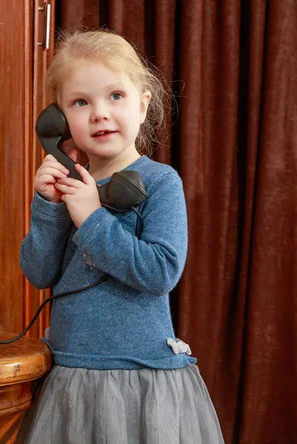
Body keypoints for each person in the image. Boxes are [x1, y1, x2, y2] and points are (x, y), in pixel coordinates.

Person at [17, 29, 224, 443]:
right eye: (80, 102)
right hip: (70, 378)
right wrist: (49, 207)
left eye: (115, 96)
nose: (99, 113)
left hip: (139, 382)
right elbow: (38, 272)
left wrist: (92, 218)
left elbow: (160, 271)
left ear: (143, 105)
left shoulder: (160, 182)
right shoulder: (69, 186)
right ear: (58, 120)